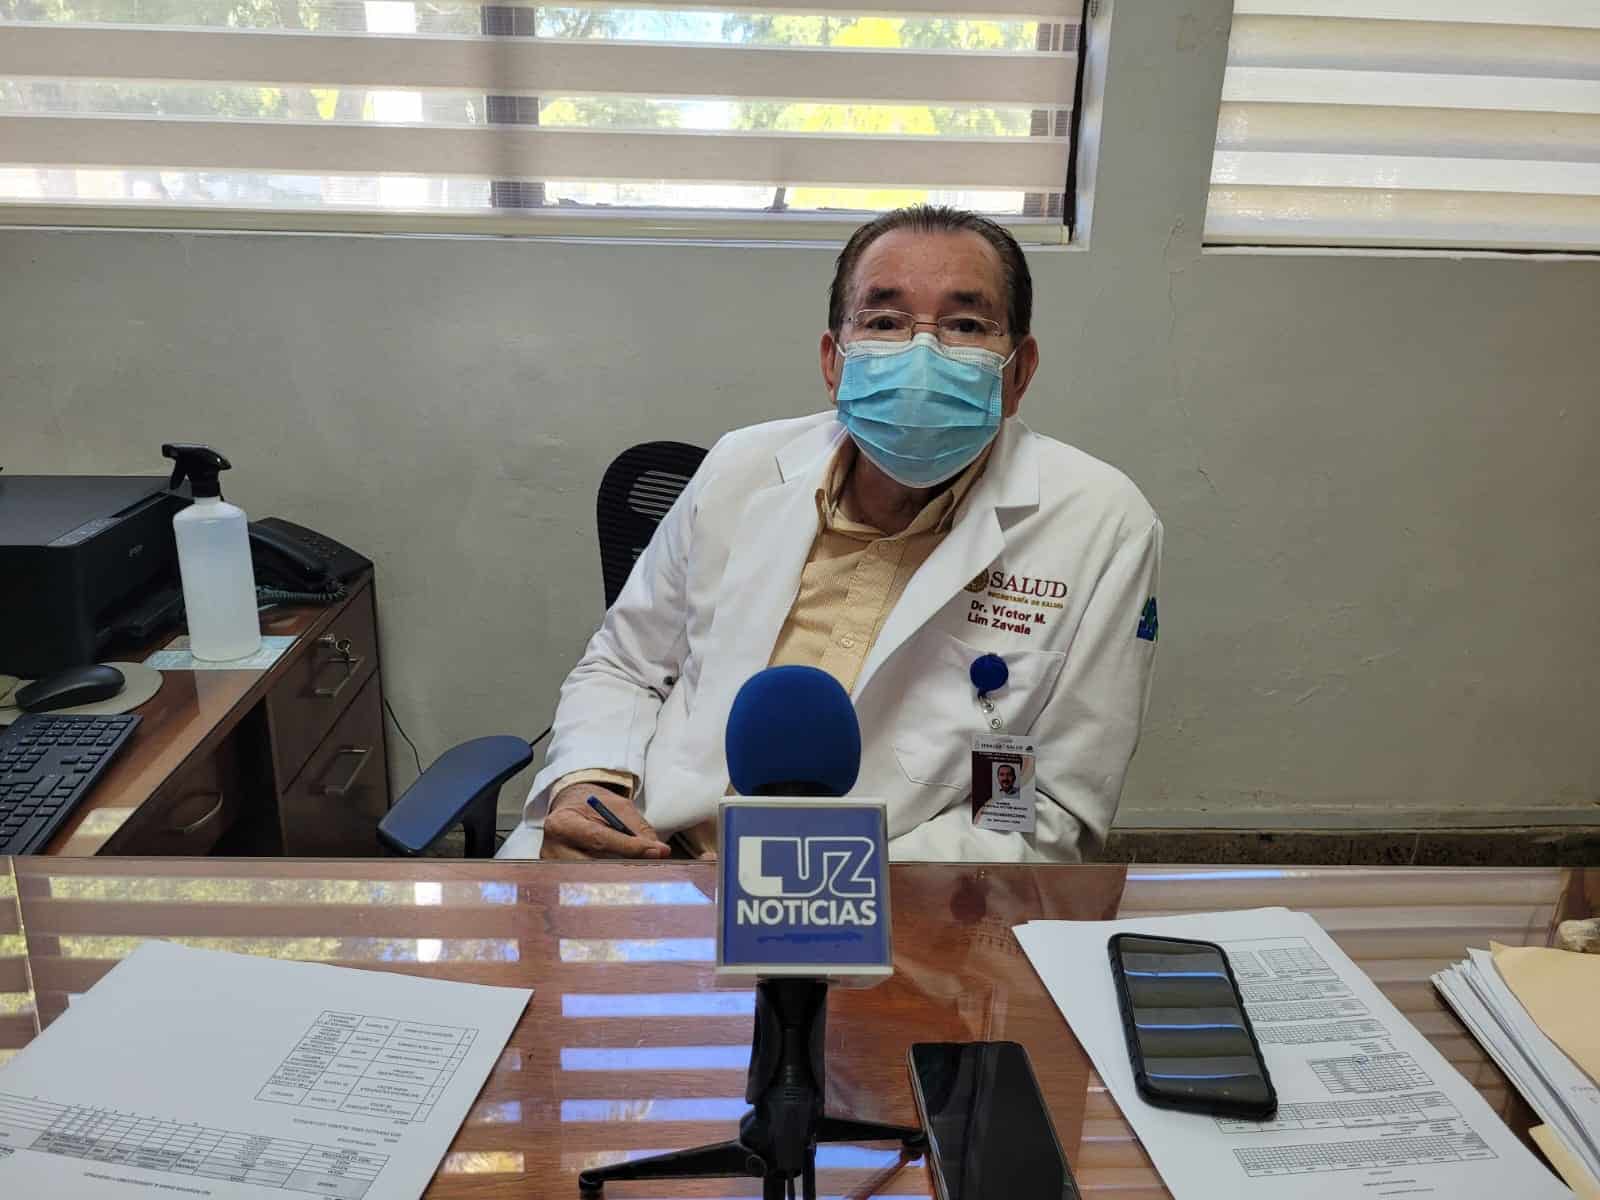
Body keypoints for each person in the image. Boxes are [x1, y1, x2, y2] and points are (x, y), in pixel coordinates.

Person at [500, 205, 1162, 864]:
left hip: (897, 887)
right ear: (833, 363)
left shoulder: (1102, 525)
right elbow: (625, 664)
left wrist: (826, 881)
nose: (922, 352)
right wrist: (590, 782)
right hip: (653, 853)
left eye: (965, 325)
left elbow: (1051, 812)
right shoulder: (741, 465)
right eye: (884, 321)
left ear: (1019, 372)